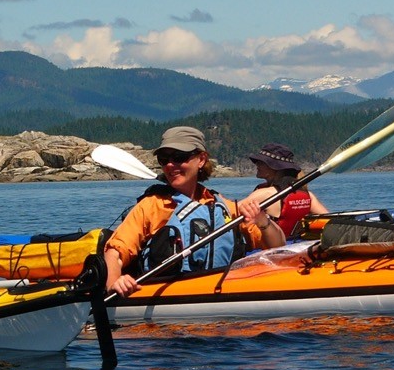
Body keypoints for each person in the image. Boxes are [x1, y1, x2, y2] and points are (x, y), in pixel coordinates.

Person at [104, 126, 285, 297]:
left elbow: (277, 247)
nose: (170, 165)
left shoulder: (223, 206)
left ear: (201, 160)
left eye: (179, 157)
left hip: (217, 293)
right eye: (164, 159)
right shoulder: (151, 206)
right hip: (167, 302)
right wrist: (114, 282)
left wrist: (263, 222)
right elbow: (115, 253)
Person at [244, 142, 329, 238]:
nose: (257, 165)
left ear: (274, 168)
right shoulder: (308, 195)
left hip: (267, 248)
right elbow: (329, 219)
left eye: (261, 162)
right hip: (293, 245)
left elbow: (230, 212)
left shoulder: (264, 194)